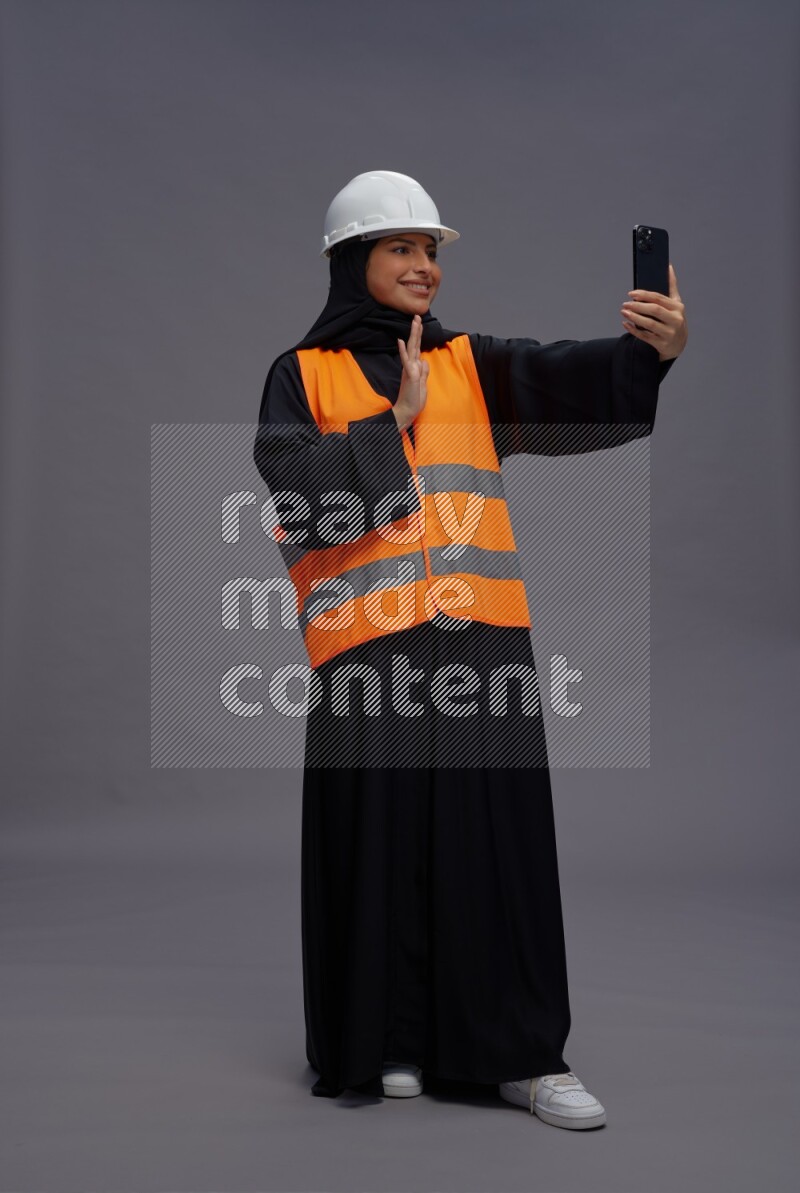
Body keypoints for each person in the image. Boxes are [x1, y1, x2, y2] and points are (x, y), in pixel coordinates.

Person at [253, 170, 687, 1128]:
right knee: (379, 849)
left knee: (497, 848)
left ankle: (526, 1057)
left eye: (432, 251)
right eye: (401, 248)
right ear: (352, 259)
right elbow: (291, 495)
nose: (424, 267)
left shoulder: (469, 365)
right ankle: (389, 1042)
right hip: (364, 653)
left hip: (478, 644)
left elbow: (584, 383)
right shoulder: (302, 373)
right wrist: (390, 424)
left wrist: (649, 352)